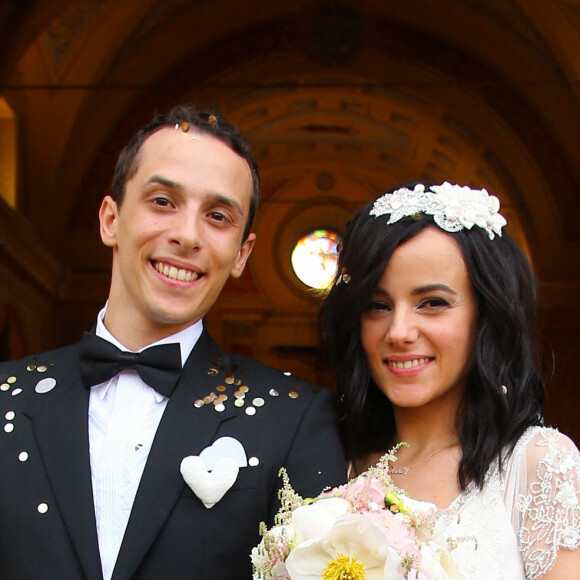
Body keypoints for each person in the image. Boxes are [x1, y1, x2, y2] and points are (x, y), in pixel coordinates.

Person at [0, 105, 346, 580]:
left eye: (218, 216)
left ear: (242, 253)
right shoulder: (5, 397)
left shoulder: (296, 419)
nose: (187, 235)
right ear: (109, 219)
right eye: (163, 201)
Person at [320, 181, 580, 579]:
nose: (399, 331)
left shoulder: (538, 465)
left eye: (433, 303)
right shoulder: (336, 462)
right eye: (378, 305)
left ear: (486, 316)